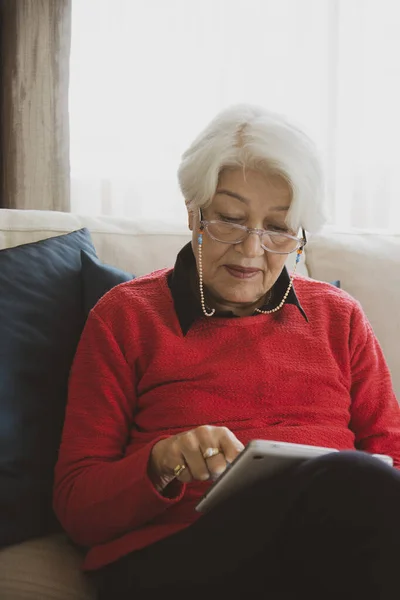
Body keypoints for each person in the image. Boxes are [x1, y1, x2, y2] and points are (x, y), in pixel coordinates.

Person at [53, 104, 400, 600]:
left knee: (359, 490)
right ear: (193, 213)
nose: (251, 248)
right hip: (182, 554)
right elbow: (76, 506)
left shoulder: (339, 317)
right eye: (231, 219)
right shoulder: (125, 317)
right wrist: (162, 461)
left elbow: (392, 460)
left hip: (329, 546)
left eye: (278, 228)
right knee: (355, 482)